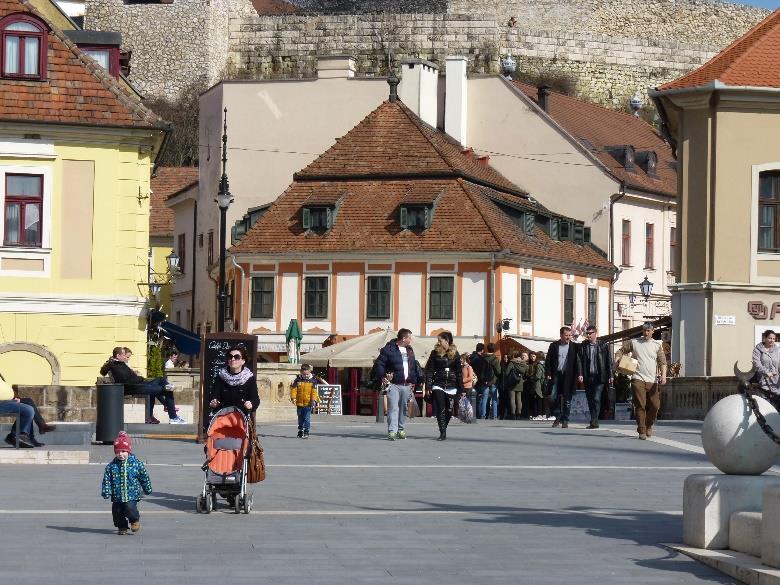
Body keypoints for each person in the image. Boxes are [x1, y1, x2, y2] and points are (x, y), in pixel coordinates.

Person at [100, 347, 185, 424]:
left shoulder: (120, 364)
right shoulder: (116, 366)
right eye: (123, 355)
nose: (125, 357)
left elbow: (106, 371)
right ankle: (173, 417)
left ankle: (164, 405)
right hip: (135, 387)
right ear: (118, 356)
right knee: (167, 391)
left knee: (160, 379)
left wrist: (111, 362)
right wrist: (140, 378)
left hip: (139, 384)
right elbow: (127, 380)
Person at [618, 322, 667, 440]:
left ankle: (649, 425)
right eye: (644, 330)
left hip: (652, 379)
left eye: (648, 331)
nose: (646, 333)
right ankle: (641, 429)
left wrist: (663, 375)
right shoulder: (635, 342)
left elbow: (662, 362)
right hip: (637, 378)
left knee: (655, 406)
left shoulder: (657, 345)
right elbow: (620, 351)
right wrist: (618, 359)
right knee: (640, 405)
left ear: (653, 331)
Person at [101, 431, 152, 535]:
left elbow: (143, 476)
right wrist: (106, 491)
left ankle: (134, 521)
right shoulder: (111, 466)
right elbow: (107, 480)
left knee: (130, 508)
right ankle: (122, 526)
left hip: (131, 494)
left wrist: (147, 488)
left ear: (128, 451)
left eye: (123, 451)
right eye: (118, 452)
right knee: (117, 512)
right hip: (117, 495)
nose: (120, 454)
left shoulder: (136, 464)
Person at [373, 328, 418, 441]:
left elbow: (413, 367)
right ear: (404, 338)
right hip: (393, 384)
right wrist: (383, 376)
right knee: (393, 407)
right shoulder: (389, 349)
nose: (411, 340)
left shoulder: (409, 350)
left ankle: (401, 429)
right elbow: (380, 363)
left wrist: (413, 380)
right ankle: (392, 431)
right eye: (409, 337)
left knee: (403, 408)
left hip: (406, 384)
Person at [424, 331, 463, 440]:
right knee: (441, 408)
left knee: (449, 411)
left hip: (452, 385)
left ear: (447, 341)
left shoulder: (455, 354)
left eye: (440, 340)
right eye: (438, 341)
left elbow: (459, 372)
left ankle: (443, 428)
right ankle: (442, 433)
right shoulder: (434, 353)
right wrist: (428, 386)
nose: (438, 343)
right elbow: (429, 370)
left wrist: (461, 388)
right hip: (438, 384)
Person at [544, 326, 583, 429]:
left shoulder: (575, 346)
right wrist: (548, 373)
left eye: (570, 335)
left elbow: (578, 361)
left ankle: (565, 419)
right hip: (556, 374)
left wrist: (580, 374)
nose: (568, 337)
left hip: (569, 376)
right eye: (566, 335)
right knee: (553, 397)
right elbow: (548, 361)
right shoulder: (553, 346)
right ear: (561, 335)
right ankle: (557, 416)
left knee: (567, 399)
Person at [579, 325, 613, 429]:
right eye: (587, 333)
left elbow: (608, 361)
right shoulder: (583, 345)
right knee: (590, 399)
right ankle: (594, 419)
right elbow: (579, 360)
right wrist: (580, 374)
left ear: (595, 333)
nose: (588, 335)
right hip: (588, 376)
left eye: (590, 333)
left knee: (596, 398)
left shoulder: (603, 345)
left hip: (600, 376)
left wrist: (611, 375)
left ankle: (594, 420)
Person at [209, 345, 260, 414]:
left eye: (237, 357)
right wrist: (214, 402)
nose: (233, 359)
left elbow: (255, 400)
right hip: (223, 417)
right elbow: (213, 396)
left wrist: (251, 404)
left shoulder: (249, 377)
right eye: (230, 357)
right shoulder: (221, 376)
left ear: (243, 361)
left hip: (241, 417)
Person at [0, 373, 40, 448]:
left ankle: (18, 435)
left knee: (28, 407)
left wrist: (15, 397)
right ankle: (18, 436)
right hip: (2, 403)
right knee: (28, 407)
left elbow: (6, 388)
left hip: (9, 401)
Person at [290, 364, 323, 439]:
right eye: (304, 374)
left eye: (307, 374)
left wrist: (313, 400)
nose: (305, 375)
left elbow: (314, 392)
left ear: (309, 372)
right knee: (300, 418)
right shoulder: (297, 380)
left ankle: (306, 431)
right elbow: (294, 390)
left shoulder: (313, 380)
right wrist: (293, 398)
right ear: (301, 372)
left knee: (307, 418)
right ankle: (300, 430)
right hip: (299, 403)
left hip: (308, 403)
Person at [752, 329, 780, 408]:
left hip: (776, 382)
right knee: (765, 405)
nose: (772, 340)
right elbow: (756, 363)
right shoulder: (758, 349)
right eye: (770, 338)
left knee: (776, 405)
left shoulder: (777, 350)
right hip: (764, 381)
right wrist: (765, 372)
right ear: (765, 338)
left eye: (774, 339)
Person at [505, 351, 528, 420]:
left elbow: (507, 372)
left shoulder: (512, 362)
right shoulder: (524, 363)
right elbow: (526, 372)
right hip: (520, 381)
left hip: (512, 381)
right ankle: (519, 414)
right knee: (519, 399)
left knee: (512, 399)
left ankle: (513, 414)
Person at [525, 352, 546, 419]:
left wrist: (532, 377)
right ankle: (542, 414)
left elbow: (538, 376)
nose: (534, 358)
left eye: (535, 356)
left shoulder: (539, 365)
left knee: (538, 399)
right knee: (540, 399)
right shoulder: (544, 364)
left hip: (537, 384)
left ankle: (538, 414)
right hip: (541, 384)